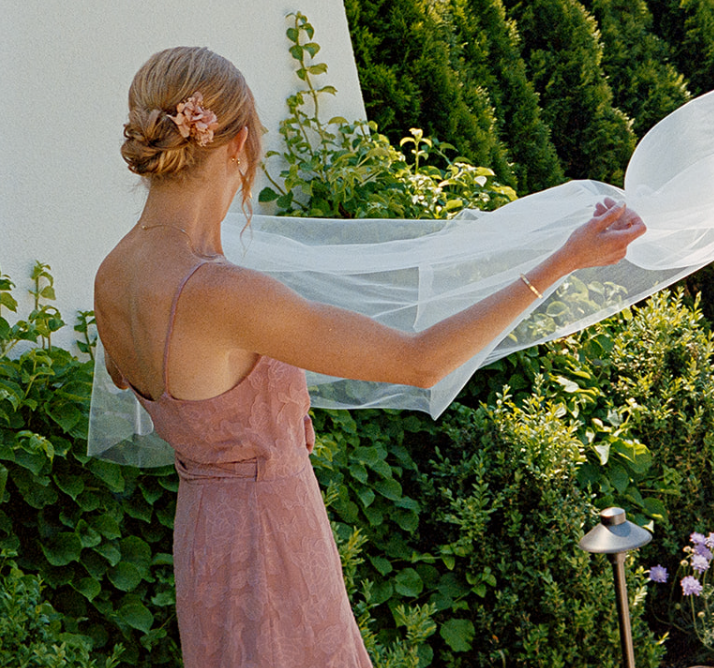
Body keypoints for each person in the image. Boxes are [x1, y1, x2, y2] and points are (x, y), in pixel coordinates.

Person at [93, 46, 645, 668]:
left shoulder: (112, 275)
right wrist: (565, 261)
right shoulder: (219, 293)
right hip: (269, 537)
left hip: (204, 537)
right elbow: (420, 362)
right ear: (238, 144)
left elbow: (144, 380)